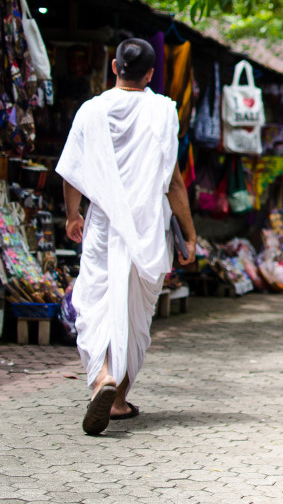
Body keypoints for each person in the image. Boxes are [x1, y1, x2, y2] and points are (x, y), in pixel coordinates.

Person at [57, 38, 196, 436]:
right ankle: (117, 401)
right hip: (150, 227)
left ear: (114, 67)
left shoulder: (92, 110)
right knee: (136, 314)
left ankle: (103, 378)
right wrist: (189, 232)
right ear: (151, 74)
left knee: (95, 303)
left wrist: (72, 215)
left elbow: (72, 170)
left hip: (102, 225)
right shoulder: (163, 111)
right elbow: (173, 181)